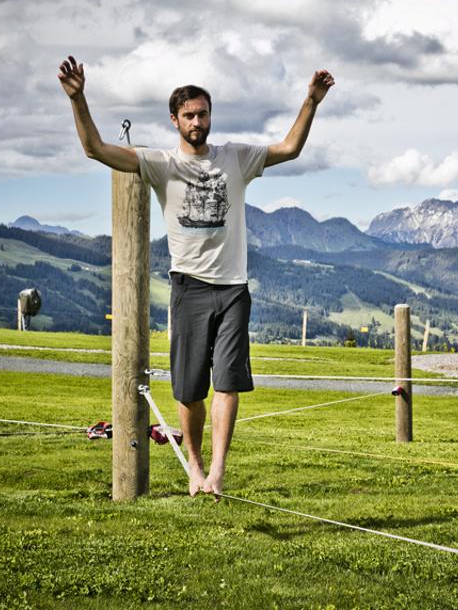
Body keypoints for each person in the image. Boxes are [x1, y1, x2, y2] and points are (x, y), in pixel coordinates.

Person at [58, 55, 335, 497]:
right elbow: (96, 150)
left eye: (203, 113)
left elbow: (290, 148)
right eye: (188, 115)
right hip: (188, 289)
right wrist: (79, 99)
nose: (197, 121)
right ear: (174, 120)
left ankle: (218, 473)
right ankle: (195, 465)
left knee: (227, 383)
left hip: (233, 290)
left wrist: (311, 101)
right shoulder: (161, 164)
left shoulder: (236, 158)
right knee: (189, 392)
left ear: (210, 117)